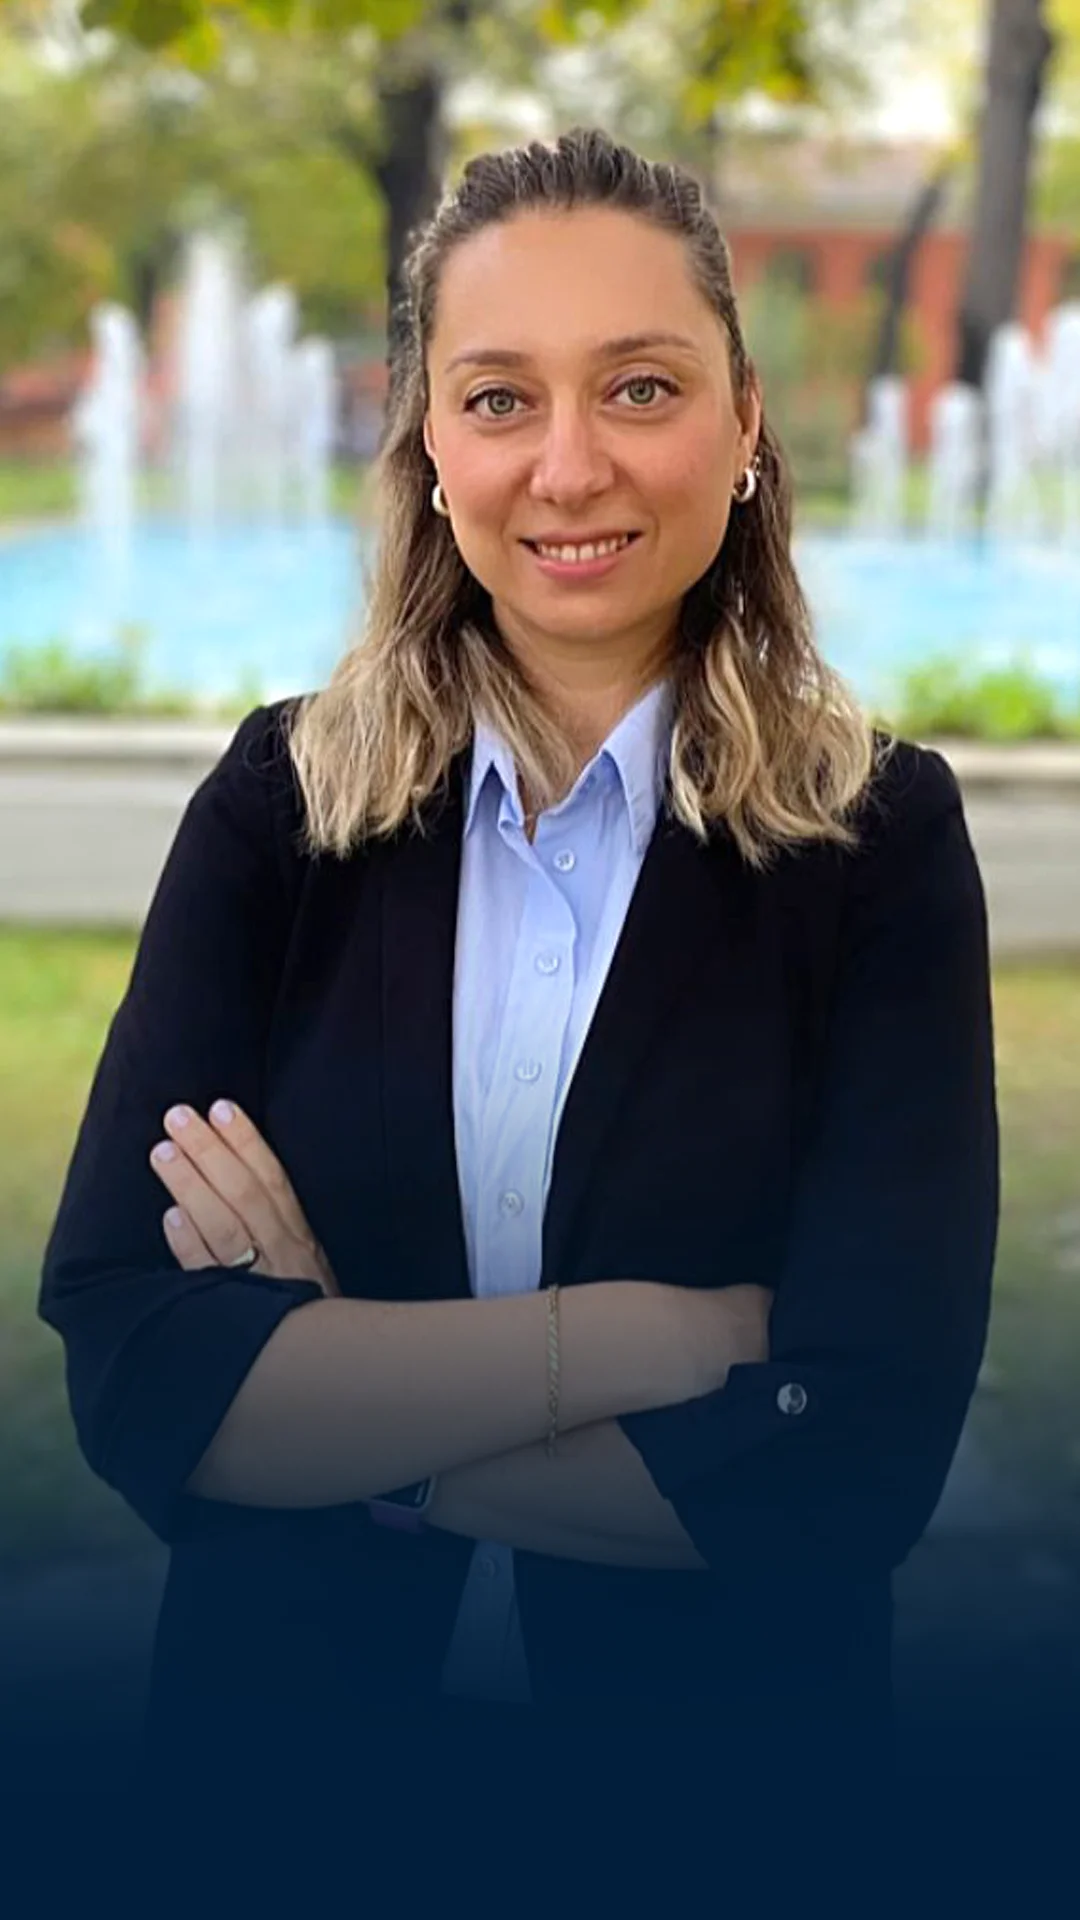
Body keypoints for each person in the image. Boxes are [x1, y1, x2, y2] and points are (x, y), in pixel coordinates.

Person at [39, 126, 997, 1860]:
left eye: (640, 387)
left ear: (746, 422)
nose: (569, 466)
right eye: (499, 398)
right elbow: (135, 1364)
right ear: (428, 440)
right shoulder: (280, 811)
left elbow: (849, 1463)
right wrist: (643, 1344)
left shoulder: (878, 844)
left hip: (725, 1815)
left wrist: (343, 1394)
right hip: (281, 1799)